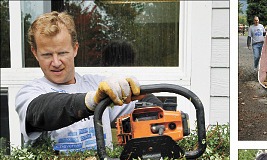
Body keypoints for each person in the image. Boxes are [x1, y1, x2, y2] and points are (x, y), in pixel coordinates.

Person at [15, 11, 162, 152]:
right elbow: (41, 111)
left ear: (75, 49)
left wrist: (140, 95)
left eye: (62, 53)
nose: (56, 62)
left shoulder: (97, 84)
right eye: (47, 55)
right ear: (35, 53)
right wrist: (91, 100)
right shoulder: (30, 93)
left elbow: (148, 105)